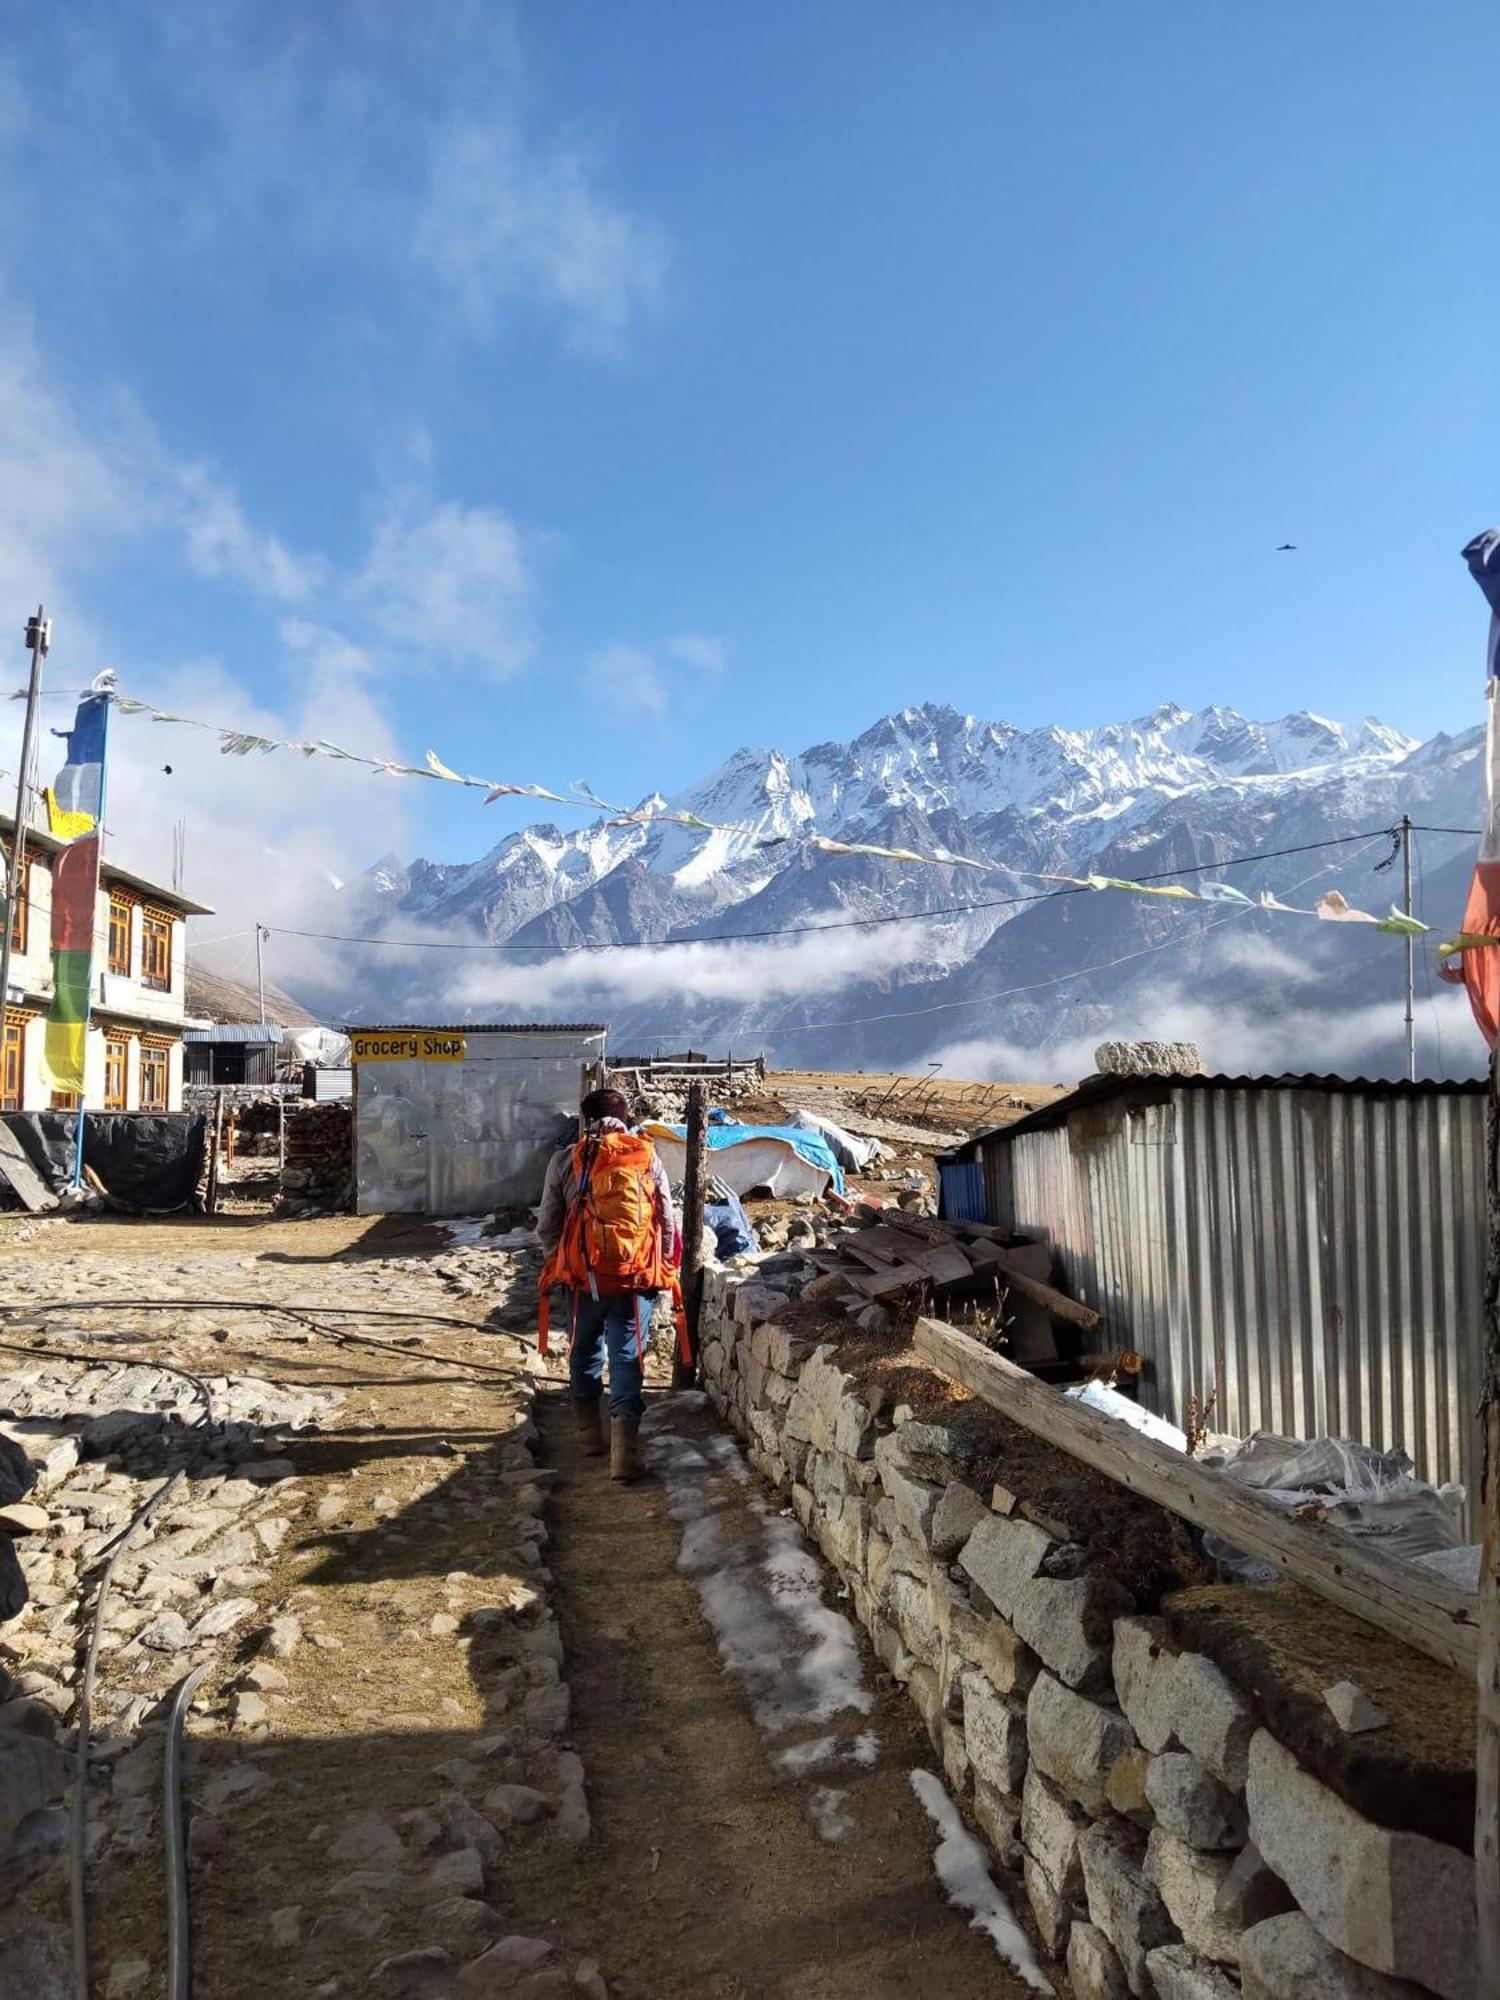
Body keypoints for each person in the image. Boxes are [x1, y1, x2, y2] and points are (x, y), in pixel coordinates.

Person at [537, 1087, 678, 1480]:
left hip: (583, 1279)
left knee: (583, 1352)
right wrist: (662, 1264)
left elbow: (547, 1224)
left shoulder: (566, 1159)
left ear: (586, 1120)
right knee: (627, 1357)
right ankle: (625, 1455)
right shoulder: (646, 1156)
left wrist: (563, 1262)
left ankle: (589, 1437)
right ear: (626, 1117)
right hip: (633, 1279)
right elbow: (666, 1217)